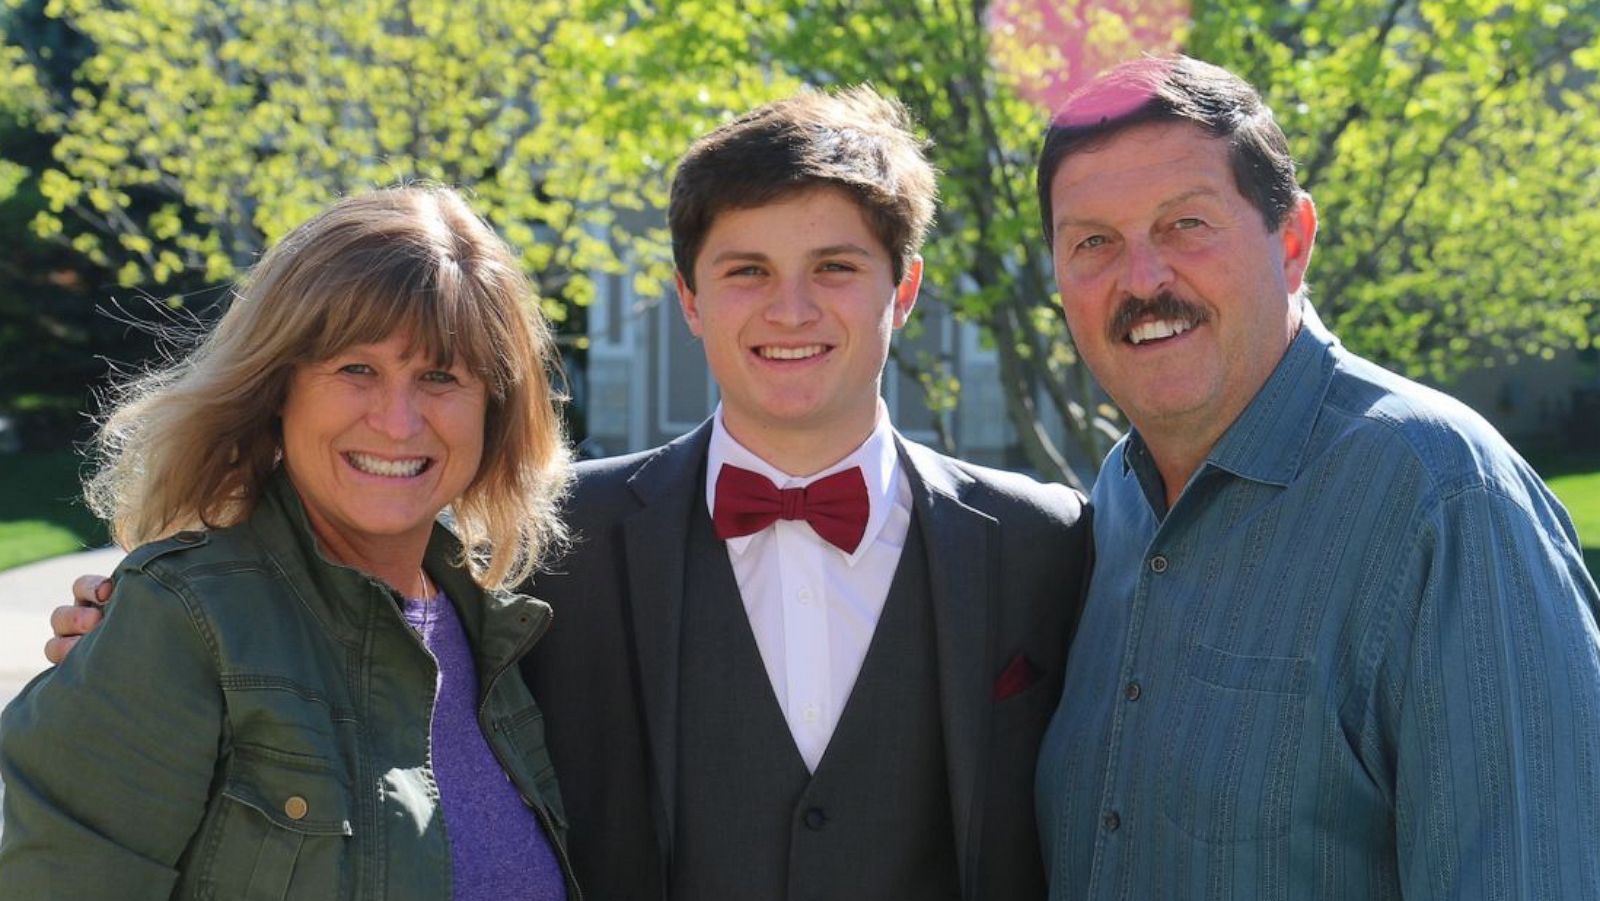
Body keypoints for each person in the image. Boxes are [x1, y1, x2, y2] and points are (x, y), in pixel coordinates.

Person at [48, 86, 1092, 899]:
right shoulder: (552, 549)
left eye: (833, 267)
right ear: (686, 298)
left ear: (900, 289)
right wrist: (140, 624)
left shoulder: (1046, 544)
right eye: (743, 270)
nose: (790, 307)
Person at [1033, 55, 1600, 899]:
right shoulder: (1112, 504)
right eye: (1093, 243)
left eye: (1186, 224)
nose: (1142, 280)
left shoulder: (1445, 501)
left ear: (1292, 242)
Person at [3, 186, 580, 900]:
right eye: (356, 369)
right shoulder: (182, 623)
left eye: (439, 375)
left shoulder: (503, 633)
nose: (398, 422)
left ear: (493, 408)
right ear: (279, 386)